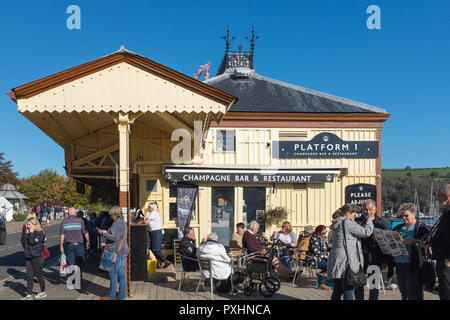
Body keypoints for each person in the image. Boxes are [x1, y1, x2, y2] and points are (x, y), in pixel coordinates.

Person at [327, 204, 374, 300]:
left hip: (336, 259)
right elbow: (366, 232)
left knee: (338, 289)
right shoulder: (347, 222)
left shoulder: (337, 222)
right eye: (354, 214)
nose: (355, 217)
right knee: (348, 288)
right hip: (346, 260)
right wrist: (369, 220)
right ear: (348, 213)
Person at [354, 199, 392, 300]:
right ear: (362, 210)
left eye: (370, 209)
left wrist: (386, 261)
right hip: (359, 258)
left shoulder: (383, 224)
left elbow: (388, 244)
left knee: (374, 286)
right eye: (365, 209)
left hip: (376, 258)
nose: (367, 212)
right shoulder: (357, 222)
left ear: (375, 209)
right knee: (358, 285)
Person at [393, 203, 430, 300]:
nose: (404, 218)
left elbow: (428, 244)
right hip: (399, 264)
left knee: (414, 294)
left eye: (406, 215)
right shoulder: (398, 228)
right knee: (404, 294)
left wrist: (413, 241)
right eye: (402, 216)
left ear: (414, 214)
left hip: (413, 265)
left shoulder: (421, 228)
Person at [98, 206, 129, 300]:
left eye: (111, 214)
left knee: (113, 274)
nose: (111, 216)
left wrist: (104, 233)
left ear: (114, 214)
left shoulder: (117, 223)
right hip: (122, 251)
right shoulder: (122, 222)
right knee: (121, 275)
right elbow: (118, 236)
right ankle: (122, 296)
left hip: (117, 251)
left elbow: (114, 237)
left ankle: (111, 295)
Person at [60, 207, 90, 289]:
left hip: (68, 245)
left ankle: (73, 279)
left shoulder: (64, 222)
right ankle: (79, 279)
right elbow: (85, 232)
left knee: (71, 262)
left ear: (68, 213)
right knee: (80, 261)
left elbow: (62, 234)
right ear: (75, 213)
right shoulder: (80, 220)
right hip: (79, 245)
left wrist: (61, 245)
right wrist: (88, 241)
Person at [21, 217, 47, 300]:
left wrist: (31, 233)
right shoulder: (28, 232)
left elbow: (32, 242)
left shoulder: (39, 233)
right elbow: (23, 241)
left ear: (34, 224)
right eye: (27, 224)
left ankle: (43, 292)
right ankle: (29, 295)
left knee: (39, 275)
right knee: (29, 276)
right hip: (28, 257)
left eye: (29, 224)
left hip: (37, 257)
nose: (27, 226)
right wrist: (26, 233)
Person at [432, 184, 450, 300]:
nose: (437, 199)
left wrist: (449, 257)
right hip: (442, 257)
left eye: (439, 196)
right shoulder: (446, 212)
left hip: (446, 260)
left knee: (446, 291)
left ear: (447, 196)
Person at [145, 203, 170, 269]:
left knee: (156, 249)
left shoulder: (154, 213)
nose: (148, 208)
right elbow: (146, 221)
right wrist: (145, 214)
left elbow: (146, 222)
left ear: (152, 208)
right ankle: (159, 262)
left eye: (149, 207)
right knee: (153, 248)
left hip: (157, 233)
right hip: (154, 233)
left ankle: (165, 261)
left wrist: (145, 213)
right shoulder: (152, 214)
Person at [308, 225, 329, 290]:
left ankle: (321, 278)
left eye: (325, 232)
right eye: (323, 233)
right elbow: (316, 253)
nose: (324, 234)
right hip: (315, 259)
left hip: (322, 258)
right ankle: (322, 283)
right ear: (318, 232)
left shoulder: (323, 238)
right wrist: (326, 257)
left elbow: (327, 248)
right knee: (328, 265)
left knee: (333, 263)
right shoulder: (315, 238)